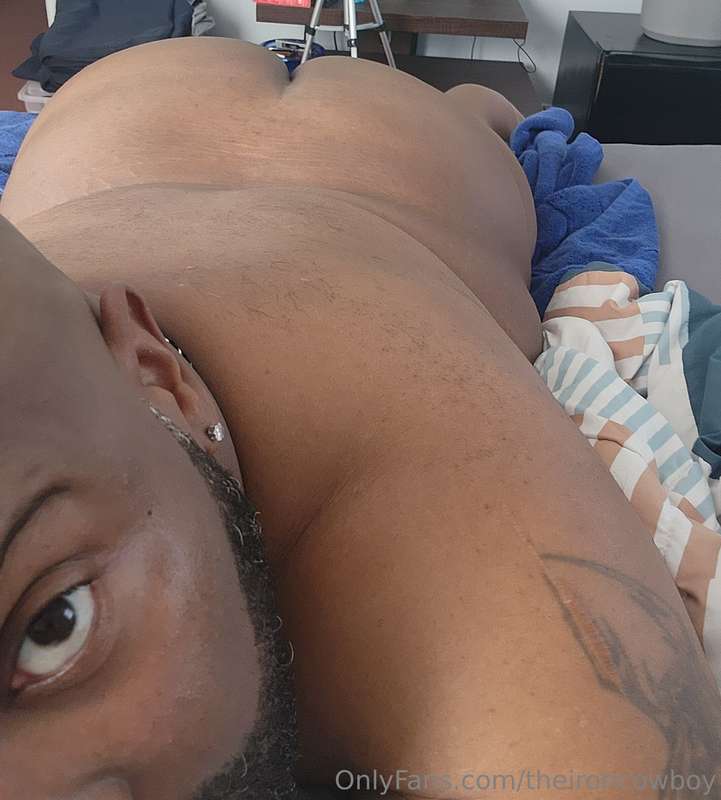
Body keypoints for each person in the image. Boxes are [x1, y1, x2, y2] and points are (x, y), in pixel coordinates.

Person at [0, 37, 719, 800]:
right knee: (474, 110)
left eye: (54, 625)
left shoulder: (445, 509)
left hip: (156, 103)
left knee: (490, 114)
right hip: (131, 100)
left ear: (162, 382)